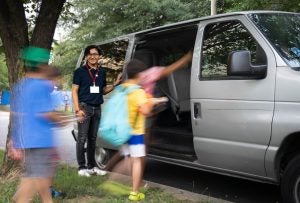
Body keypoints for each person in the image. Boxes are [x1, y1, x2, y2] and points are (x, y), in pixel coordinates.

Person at [10, 46, 67, 203]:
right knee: (35, 177)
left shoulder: (20, 86)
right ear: (42, 65)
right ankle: (21, 199)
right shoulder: (41, 86)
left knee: (36, 175)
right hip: (40, 139)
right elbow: (45, 113)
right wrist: (60, 120)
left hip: (27, 139)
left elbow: (16, 114)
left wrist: (14, 139)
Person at [72, 45, 121, 177]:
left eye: (96, 54)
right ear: (87, 56)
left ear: (99, 56)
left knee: (93, 139)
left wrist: (115, 85)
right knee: (82, 139)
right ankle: (81, 168)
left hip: (97, 108)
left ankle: (92, 166)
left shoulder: (102, 72)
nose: (93, 56)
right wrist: (77, 110)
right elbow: (74, 91)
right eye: (90, 54)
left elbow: (102, 90)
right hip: (84, 107)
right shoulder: (80, 71)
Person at [120, 59, 163, 201]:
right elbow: (145, 111)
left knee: (129, 159)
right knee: (137, 161)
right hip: (136, 132)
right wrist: (151, 101)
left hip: (123, 130)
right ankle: (134, 192)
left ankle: (124, 183)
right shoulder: (138, 92)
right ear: (138, 74)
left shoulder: (123, 88)